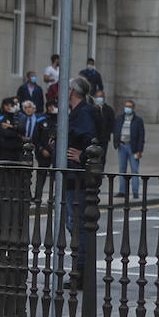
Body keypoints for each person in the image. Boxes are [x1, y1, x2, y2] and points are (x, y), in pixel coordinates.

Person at [60, 77, 100, 288]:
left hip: (78, 178)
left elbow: (92, 141)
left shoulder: (83, 113)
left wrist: (82, 156)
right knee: (74, 224)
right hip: (73, 177)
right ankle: (81, 269)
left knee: (78, 226)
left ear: (73, 91)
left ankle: (82, 271)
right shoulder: (77, 113)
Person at [113, 100, 146, 199]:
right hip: (122, 146)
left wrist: (140, 150)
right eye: (126, 106)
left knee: (134, 170)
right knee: (122, 169)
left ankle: (135, 192)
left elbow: (141, 136)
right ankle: (122, 191)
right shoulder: (120, 118)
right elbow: (116, 130)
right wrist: (117, 142)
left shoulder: (138, 120)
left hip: (133, 147)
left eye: (130, 107)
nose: (127, 108)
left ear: (133, 108)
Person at [0, 97, 26, 162]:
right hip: (5, 149)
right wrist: (17, 134)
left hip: (17, 149)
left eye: (11, 105)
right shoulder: (1, 117)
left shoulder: (16, 117)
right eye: (7, 105)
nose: (9, 107)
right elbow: (5, 133)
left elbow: (22, 129)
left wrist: (10, 127)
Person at [91, 90, 116, 169]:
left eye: (101, 97)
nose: (99, 98)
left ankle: (101, 172)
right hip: (93, 138)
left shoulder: (109, 109)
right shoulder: (92, 109)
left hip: (104, 139)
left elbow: (112, 123)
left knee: (102, 157)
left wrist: (107, 133)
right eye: (98, 97)